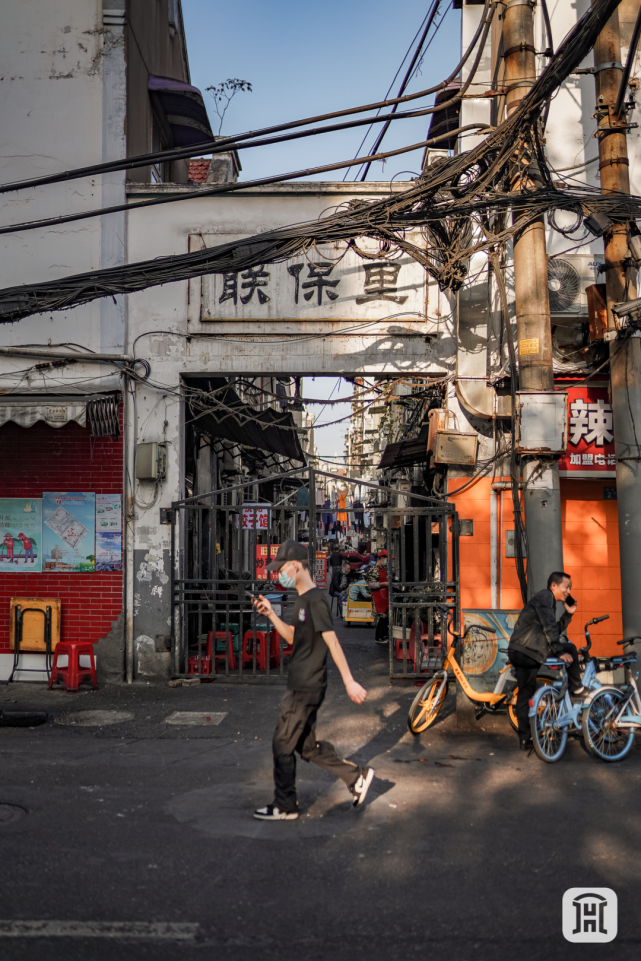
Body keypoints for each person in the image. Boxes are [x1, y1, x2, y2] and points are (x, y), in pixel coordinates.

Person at [252, 540, 374, 820]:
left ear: (295, 565)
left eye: (280, 568)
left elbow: (332, 642)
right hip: (303, 683)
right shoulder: (302, 599)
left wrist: (349, 681)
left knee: (282, 743)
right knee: (305, 747)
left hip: (305, 686)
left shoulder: (315, 600)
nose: (278, 574)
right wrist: (270, 614)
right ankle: (357, 778)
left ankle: (285, 805)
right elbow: (294, 637)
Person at [508, 571, 581, 751]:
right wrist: (558, 651)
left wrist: (568, 615)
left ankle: (525, 739)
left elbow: (552, 629)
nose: (568, 591)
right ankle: (577, 689)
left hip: (520, 651)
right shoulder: (545, 597)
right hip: (530, 651)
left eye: (570, 588)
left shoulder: (546, 601)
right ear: (554, 586)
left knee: (525, 694)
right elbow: (550, 629)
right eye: (566, 587)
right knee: (570, 649)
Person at [365, 550, 389, 644]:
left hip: (384, 596)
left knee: (386, 616)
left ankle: (384, 636)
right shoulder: (374, 569)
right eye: (387, 558)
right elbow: (371, 584)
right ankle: (379, 637)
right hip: (378, 596)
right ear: (382, 558)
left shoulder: (384, 568)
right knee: (382, 617)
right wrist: (384, 584)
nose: (387, 561)